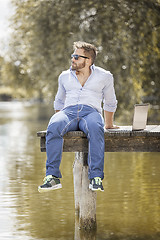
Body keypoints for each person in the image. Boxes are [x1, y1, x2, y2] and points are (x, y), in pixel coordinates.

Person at [38, 41, 118, 193]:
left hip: (91, 113)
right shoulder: (64, 76)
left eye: (76, 56)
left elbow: (110, 101)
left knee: (96, 127)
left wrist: (109, 124)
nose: (72, 59)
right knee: (54, 125)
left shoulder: (105, 76)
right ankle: (52, 177)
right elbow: (59, 101)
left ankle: (96, 177)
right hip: (67, 113)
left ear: (88, 61)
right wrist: (59, 121)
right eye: (72, 56)